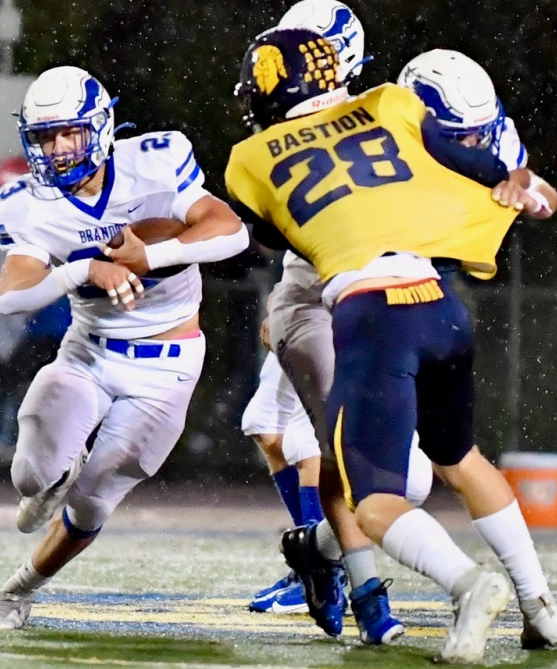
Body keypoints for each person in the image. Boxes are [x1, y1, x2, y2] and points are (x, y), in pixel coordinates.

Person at [226, 28, 557, 662]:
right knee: (459, 458)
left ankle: (466, 585)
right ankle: (541, 607)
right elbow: (504, 180)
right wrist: (519, 184)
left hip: (370, 313)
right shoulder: (391, 103)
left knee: (376, 494)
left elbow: (271, 235)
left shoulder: (248, 157)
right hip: (438, 308)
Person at [0, 65, 249, 629]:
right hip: (91, 352)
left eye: (68, 133)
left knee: (93, 503)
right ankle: (55, 471)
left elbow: (231, 231)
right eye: (44, 137)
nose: (56, 149)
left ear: (99, 128)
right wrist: (83, 270)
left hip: (168, 365)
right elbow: (12, 295)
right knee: (28, 477)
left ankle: (19, 590)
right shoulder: (23, 203)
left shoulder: (154, 160)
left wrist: (150, 257)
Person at [239, 0, 430, 641]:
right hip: (310, 290)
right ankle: (320, 559)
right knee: (268, 425)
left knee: (376, 461)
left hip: (360, 293)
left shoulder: (373, 112)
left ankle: (328, 555)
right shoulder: (300, 119)